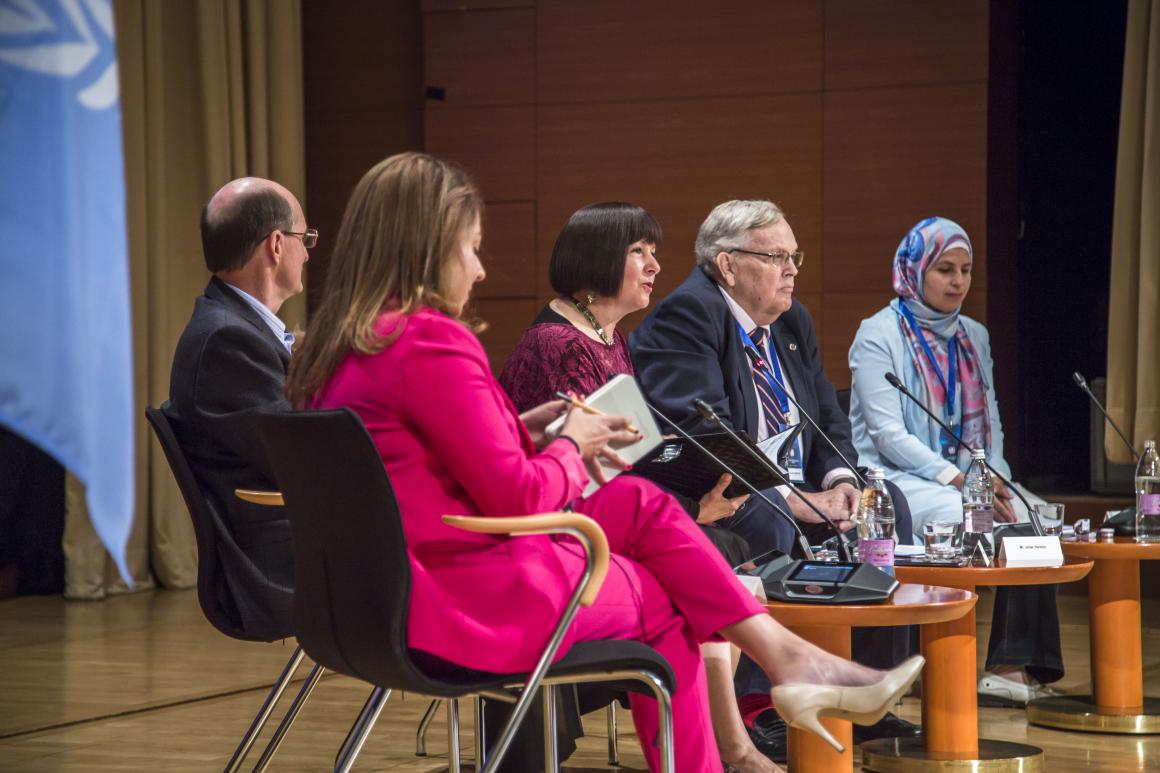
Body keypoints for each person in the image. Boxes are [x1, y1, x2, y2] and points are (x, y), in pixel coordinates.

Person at [284, 152, 924, 771]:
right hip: (464, 599)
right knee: (676, 597)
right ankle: (782, 675)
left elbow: (415, 465)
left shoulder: (336, 349)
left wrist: (525, 431)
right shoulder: (431, 340)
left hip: (366, 600)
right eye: (471, 248)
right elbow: (518, 497)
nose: (478, 271)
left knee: (639, 501)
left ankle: (786, 663)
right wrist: (574, 446)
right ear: (426, 249)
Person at [500, 202, 781, 771]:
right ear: (598, 258)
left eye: (653, 252)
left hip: (606, 515)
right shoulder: (558, 344)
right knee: (714, 560)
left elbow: (625, 454)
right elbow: (586, 475)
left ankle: (727, 739)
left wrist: (688, 489)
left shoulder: (608, 338)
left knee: (733, 542)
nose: (654, 266)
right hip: (558, 534)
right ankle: (731, 745)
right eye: (638, 252)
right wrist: (688, 510)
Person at [629, 200, 918, 742]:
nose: (791, 270)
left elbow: (827, 415)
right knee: (768, 519)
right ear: (727, 265)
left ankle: (867, 694)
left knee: (885, 504)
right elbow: (705, 429)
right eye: (776, 257)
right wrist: (794, 499)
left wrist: (840, 482)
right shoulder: (689, 314)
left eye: (795, 257)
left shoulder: (791, 320)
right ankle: (759, 706)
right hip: (721, 492)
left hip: (797, 486)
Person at [848, 216, 1064, 703]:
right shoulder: (878, 334)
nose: (958, 281)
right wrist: (961, 481)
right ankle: (938, 667)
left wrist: (994, 478)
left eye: (966, 270)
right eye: (944, 269)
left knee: (1038, 520)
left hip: (970, 478)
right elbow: (887, 435)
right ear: (914, 270)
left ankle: (1012, 666)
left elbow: (991, 421)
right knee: (972, 520)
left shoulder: (974, 335)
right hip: (895, 479)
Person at [164, 177, 313, 639]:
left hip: (296, 541)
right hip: (280, 564)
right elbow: (302, 458)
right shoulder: (226, 339)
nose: (308, 254)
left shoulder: (234, 327)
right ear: (276, 245)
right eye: (305, 239)